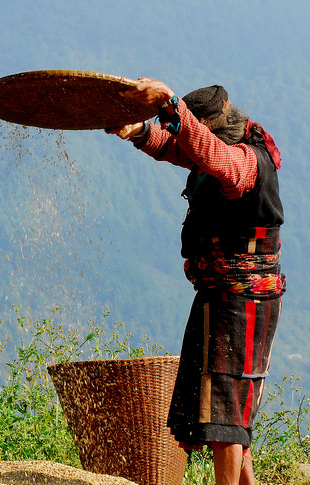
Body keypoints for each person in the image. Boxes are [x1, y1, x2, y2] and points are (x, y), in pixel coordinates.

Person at [106, 78, 285, 485]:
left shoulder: (243, 162)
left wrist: (170, 103)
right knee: (228, 403)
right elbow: (185, 150)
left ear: (212, 131)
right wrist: (137, 131)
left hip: (242, 299)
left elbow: (214, 158)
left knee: (224, 406)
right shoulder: (223, 152)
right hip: (223, 293)